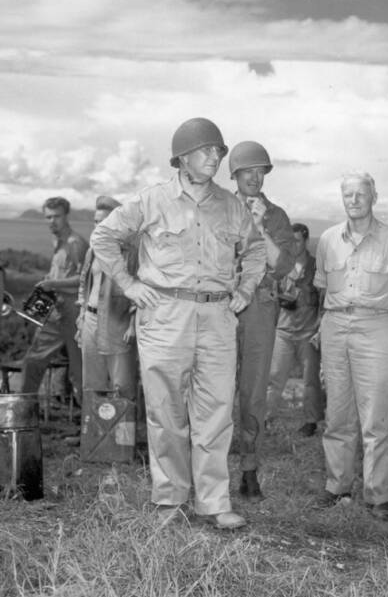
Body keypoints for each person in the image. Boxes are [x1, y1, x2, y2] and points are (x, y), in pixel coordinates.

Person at [91, 117, 266, 529]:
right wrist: (130, 285)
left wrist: (244, 291)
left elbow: (255, 250)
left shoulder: (232, 205)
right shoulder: (152, 201)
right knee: (166, 410)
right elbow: (104, 237)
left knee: (216, 411)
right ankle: (169, 499)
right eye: (206, 150)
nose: (214, 157)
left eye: (218, 151)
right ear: (182, 157)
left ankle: (214, 502)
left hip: (218, 317)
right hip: (166, 316)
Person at [314, 171, 388, 520]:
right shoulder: (328, 240)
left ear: (374, 196)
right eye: (348, 195)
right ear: (342, 199)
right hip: (335, 326)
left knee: (376, 418)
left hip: (378, 329)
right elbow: (320, 288)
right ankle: (336, 486)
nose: (354, 200)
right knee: (338, 414)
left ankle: (378, 497)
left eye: (361, 194)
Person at [231, 140, 296, 501]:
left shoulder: (276, 215)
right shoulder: (219, 208)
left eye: (261, 172)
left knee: (254, 389)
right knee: (212, 385)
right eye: (248, 172)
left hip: (260, 304)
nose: (255, 177)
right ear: (235, 175)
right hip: (221, 303)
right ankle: (205, 465)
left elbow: (283, 265)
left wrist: (260, 226)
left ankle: (249, 468)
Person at [76, 195, 139, 425]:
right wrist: (82, 317)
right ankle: (93, 436)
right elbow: (83, 284)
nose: (98, 227)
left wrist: (133, 325)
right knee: (92, 382)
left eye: (103, 222)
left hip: (118, 323)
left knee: (122, 383)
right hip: (91, 321)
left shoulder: (130, 254)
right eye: (95, 222)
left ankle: (123, 439)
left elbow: (138, 289)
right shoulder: (92, 250)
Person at [22, 197, 88, 403]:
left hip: (74, 314)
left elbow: (85, 281)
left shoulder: (75, 243)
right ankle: (21, 414)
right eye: (48, 217)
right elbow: (61, 274)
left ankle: (89, 429)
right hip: (54, 310)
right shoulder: (57, 241)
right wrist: (48, 282)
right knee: (33, 362)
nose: (52, 221)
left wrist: (53, 284)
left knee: (80, 374)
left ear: (66, 216)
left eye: (56, 216)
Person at [265, 222, 324, 436]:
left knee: (310, 380)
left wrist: (320, 329)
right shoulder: (282, 266)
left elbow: (324, 301)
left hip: (308, 332)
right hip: (283, 330)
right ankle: (263, 418)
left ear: (306, 240)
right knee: (274, 376)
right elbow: (270, 294)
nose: (294, 245)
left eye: (297, 240)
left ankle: (311, 421)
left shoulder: (317, 268)